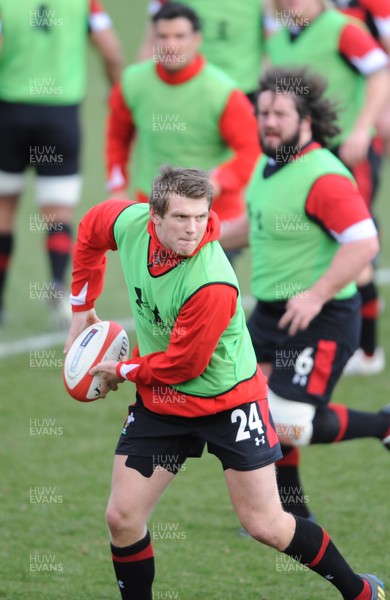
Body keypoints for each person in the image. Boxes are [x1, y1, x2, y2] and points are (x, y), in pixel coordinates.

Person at [64, 165, 385, 600]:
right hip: (162, 403)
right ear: (153, 216)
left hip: (228, 403)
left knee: (266, 525)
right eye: (181, 218)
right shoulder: (130, 223)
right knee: (122, 517)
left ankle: (361, 591)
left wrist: (120, 370)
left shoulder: (211, 281)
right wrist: (82, 308)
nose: (194, 229)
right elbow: (89, 231)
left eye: (201, 217)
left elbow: (185, 365)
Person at [220, 66, 390, 525]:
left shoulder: (324, 177)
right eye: (262, 113)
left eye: (279, 113)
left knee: (288, 421)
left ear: (306, 120)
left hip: (323, 315)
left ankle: (384, 424)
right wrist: (202, 236)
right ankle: (290, 511)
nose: (268, 121)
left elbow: (364, 243)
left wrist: (316, 295)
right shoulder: (267, 163)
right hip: (272, 312)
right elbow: (250, 228)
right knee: (253, 407)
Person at [265, 0, 390, 374]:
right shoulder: (278, 36)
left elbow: (380, 72)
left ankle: (367, 351)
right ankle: (322, 337)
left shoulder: (344, 28)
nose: (291, 4)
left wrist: (361, 128)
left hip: (346, 154)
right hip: (302, 156)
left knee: (354, 242)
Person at [0, 0, 123, 328]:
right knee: (59, 214)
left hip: (8, 115)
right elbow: (111, 52)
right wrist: (114, 93)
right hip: (60, 118)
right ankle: (57, 290)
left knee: (3, 211)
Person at [106, 2, 260, 259]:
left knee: (203, 297)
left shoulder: (222, 92)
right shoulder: (132, 82)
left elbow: (252, 149)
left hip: (210, 217)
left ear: (197, 39)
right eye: (163, 36)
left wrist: (219, 182)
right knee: (155, 296)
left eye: (179, 36)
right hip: (154, 213)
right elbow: (116, 137)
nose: (170, 45)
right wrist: (117, 185)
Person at [138, 0, 270, 104]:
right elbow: (152, 43)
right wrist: (142, 91)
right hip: (185, 91)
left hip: (244, 93)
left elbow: (273, 46)